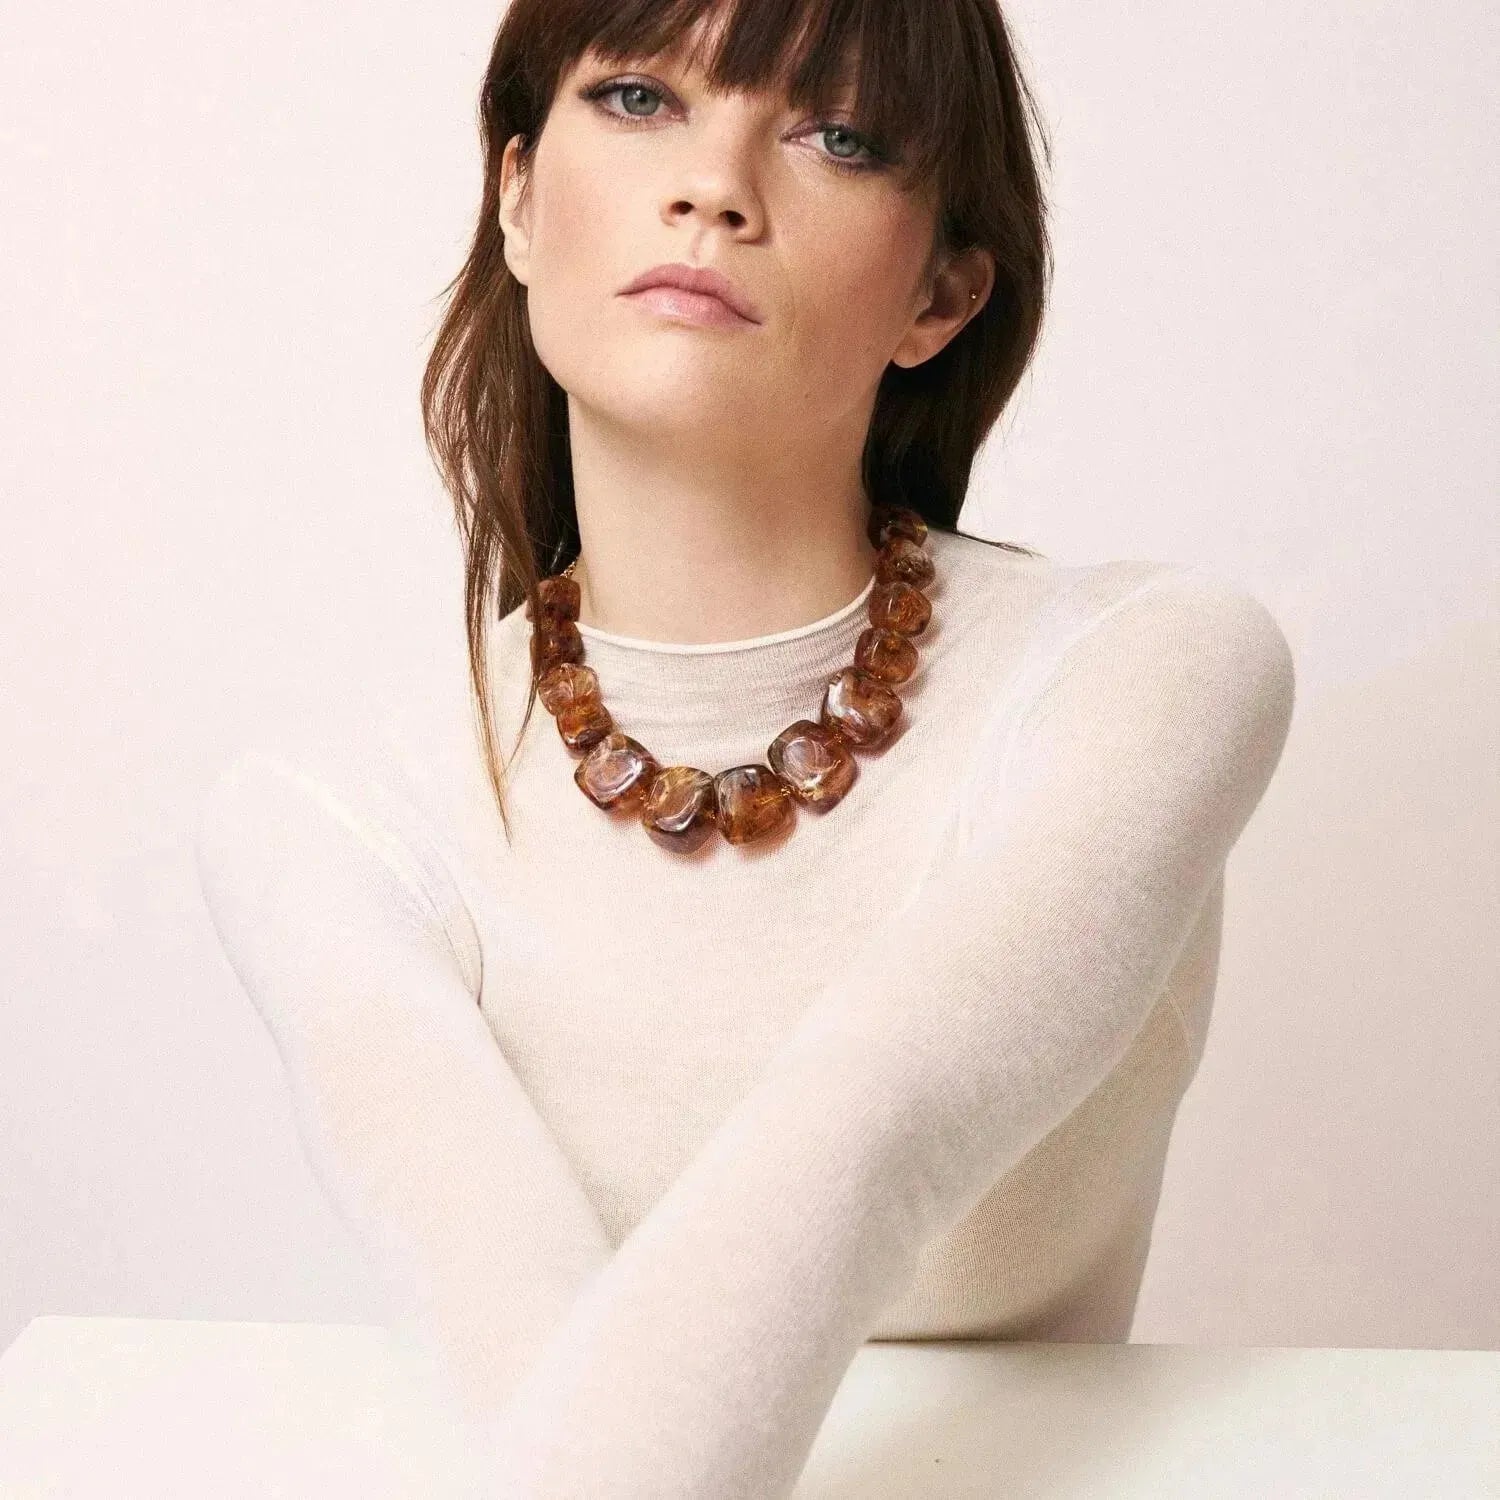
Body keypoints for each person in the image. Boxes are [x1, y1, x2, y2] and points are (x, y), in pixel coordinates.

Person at [192, 1, 1297, 1495]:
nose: (714, 189)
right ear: (517, 201)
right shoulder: (330, 817)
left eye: (837, 137)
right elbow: (543, 1405)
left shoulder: (1140, 674)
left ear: (942, 294)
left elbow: (867, 1143)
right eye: (639, 100)